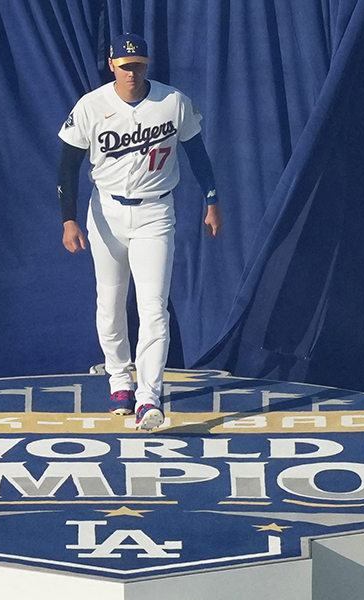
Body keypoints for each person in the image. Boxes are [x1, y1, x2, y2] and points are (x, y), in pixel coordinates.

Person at [57, 33, 221, 431]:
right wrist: (69, 219)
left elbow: (197, 153)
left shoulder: (172, 101)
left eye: (140, 65)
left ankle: (149, 396)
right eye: (126, 65)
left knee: (153, 308)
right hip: (107, 211)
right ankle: (118, 380)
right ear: (112, 65)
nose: (134, 72)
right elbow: (67, 168)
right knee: (110, 304)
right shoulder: (92, 106)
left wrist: (212, 200)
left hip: (155, 211)